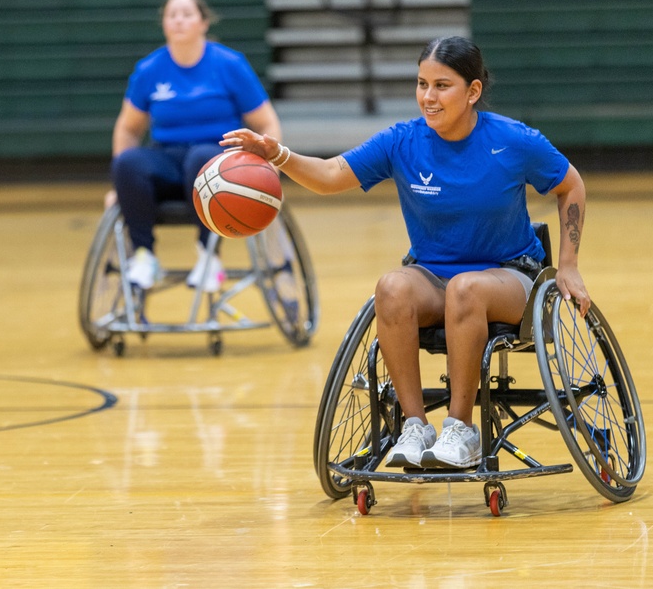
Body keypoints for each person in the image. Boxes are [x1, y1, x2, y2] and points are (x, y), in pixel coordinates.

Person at [221, 36, 590, 469]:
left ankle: (460, 429)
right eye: (421, 84)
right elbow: (330, 174)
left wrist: (568, 265)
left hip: (509, 276)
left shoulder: (514, 140)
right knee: (392, 288)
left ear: (472, 92)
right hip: (433, 277)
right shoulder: (402, 142)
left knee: (467, 290)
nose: (428, 98)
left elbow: (572, 186)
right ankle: (414, 427)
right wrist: (277, 154)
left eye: (441, 86)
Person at [109, 0, 282, 292]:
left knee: (201, 158)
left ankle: (208, 255)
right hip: (167, 159)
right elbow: (128, 129)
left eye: (186, 14)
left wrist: (272, 166)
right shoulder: (149, 69)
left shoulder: (229, 64)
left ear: (203, 22)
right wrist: (116, 189)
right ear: (164, 23)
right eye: (171, 15)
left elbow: (266, 120)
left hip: (219, 161)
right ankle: (144, 255)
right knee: (128, 163)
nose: (178, 20)